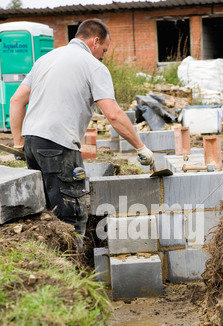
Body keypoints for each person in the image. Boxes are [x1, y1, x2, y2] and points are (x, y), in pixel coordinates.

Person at [9, 18, 154, 249]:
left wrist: (19, 143)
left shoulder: (45, 59)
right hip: (59, 146)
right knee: (71, 219)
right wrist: (140, 147)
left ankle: (53, 267)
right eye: (104, 50)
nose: (103, 56)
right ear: (95, 42)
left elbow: (16, 101)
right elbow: (114, 115)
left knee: (47, 214)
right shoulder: (93, 65)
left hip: (33, 144)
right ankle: (73, 276)